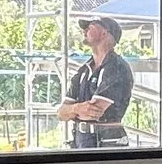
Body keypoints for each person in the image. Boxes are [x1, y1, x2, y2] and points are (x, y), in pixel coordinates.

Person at [56, 17, 134, 148]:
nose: (84, 31)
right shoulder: (84, 70)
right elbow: (61, 113)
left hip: (106, 141)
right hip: (82, 139)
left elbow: (93, 112)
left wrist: (72, 110)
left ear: (104, 33)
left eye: (90, 27)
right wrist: (76, 109)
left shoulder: (116, 67)